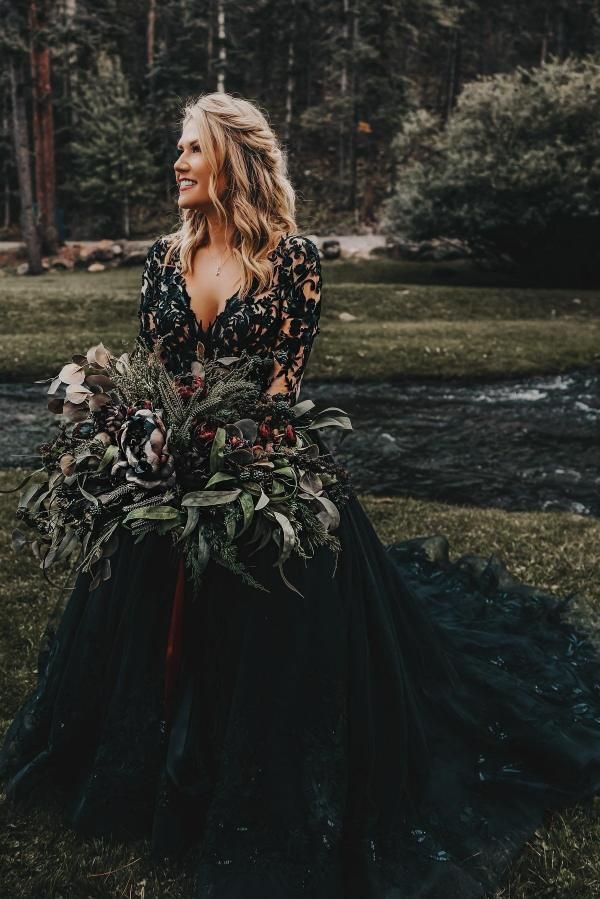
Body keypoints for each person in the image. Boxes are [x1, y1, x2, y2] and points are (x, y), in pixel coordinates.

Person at [1, 91, 600, 899]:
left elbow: (282, 388)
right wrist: (134, 438)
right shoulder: (161, 257)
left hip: (262, 469)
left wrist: (230, 459)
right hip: (163, 475)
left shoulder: (293, 259)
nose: (177, 163)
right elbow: (149, 374)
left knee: (279, 634)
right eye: (177, 149)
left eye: (192, 149)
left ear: (234, 160)